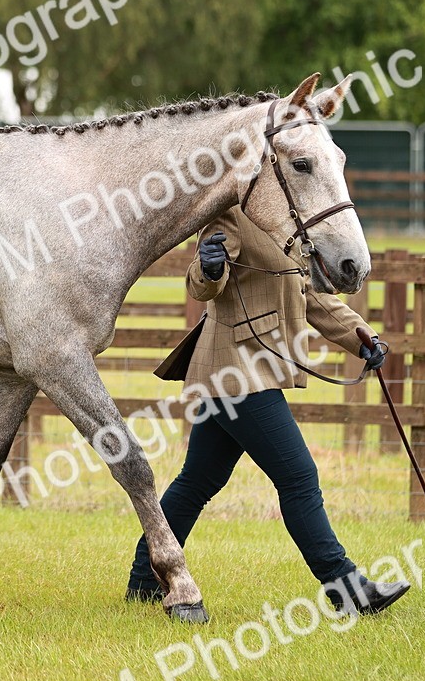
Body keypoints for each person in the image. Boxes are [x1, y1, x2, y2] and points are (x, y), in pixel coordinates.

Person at [127, 206, 410, 616]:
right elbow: (201, 286)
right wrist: (208, 269)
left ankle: (143, 582)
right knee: (298, 477)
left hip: (250, 371)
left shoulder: (283, 221)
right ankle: (347, 589)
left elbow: (307, 294)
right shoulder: (230, 215)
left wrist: (360, 336)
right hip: (235, 373)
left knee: (197, 482)